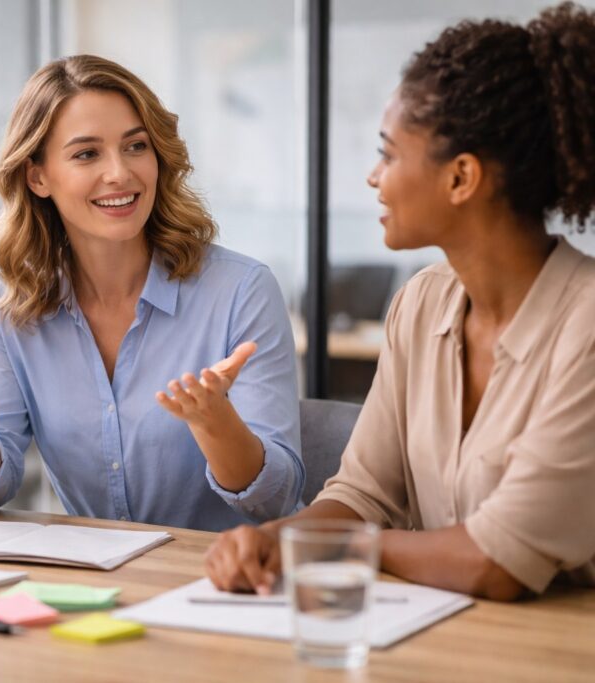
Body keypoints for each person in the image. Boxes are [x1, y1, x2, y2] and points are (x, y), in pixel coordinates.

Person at [205, 2, 595, 600]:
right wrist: (277, 540)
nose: (373, 176)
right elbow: (364, 495)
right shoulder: (421, 303)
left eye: (388, 153)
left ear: (461, 178)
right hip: (439, 638)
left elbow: (497, 560)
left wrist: (325, 548)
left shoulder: (586, 324)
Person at [0, 55, 302, 532]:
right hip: (95, 581)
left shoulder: (241, 292)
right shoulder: (10, 300)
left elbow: (275, 498)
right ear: (37, 176)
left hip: (228, 580)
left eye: (135, 146)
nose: (120, 174)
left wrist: (215, 421)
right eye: (87, 154)